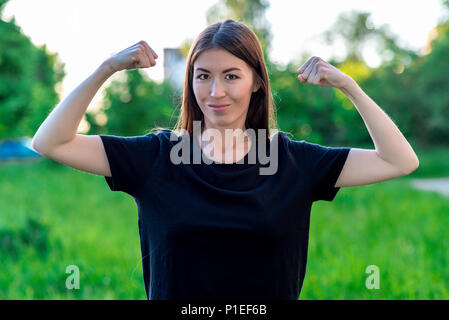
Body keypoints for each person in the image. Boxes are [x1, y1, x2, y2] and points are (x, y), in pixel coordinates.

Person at [32, 19, 419, 300]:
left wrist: (349, 87)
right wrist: (106, 68)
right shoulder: (155, 157)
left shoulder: (292, 162)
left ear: (257, 82)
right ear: (191, 82)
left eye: (231, 76)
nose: (216, 91)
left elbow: (399, 162)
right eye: (203, 76)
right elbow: (51, 142)